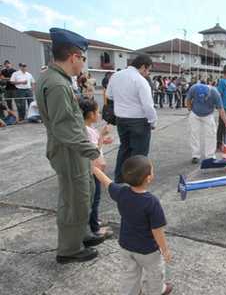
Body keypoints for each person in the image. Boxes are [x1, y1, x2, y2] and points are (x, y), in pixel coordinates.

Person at [35, 27, 106, 263]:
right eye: (83, 58)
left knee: (84, 193)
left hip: (72, 149)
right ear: (74, 56)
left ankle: (81, 235)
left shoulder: (56, 78)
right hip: (69, 150)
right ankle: (69, 249)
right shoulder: (57, 84)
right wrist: (93, 152)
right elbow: (65, 126)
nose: (83, 64)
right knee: (74, 200)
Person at [92, 155, 173, 295]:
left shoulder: (121, 192)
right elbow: (157, 231)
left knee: (129, 274)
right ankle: (155, 291)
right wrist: (165, 249)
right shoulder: (152, 202)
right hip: (148, 250)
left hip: (126, 245)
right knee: (155, 272)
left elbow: (106, 181)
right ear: (148, 178)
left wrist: (94, 168)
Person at [106, 54, 157, 183]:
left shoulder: (116, 76)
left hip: (121, 119)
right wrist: (153, 121)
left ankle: (119, 178)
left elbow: (109, 95)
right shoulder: (140, 80)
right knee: (139, 154)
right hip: (139, 120)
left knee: (124, 149)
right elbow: (148, 105)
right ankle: (136, 182)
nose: (148, 73)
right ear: (143, 67)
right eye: (148, 69)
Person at [79, 98, 114, 240]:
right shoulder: (89, 131)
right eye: (97, 112)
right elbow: (94, 152)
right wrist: (102, 136)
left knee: (93, 198)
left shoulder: (84, 128)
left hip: (90, 169)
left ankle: (94, 221)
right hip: (94, 170)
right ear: (91, 114)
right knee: (95, 198)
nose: (99, 114)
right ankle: (95, 229)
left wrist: (102, 139)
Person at [185, 82, 226, 164]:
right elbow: (188, 99)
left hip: (208, 115)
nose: (202, 100)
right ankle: (195, 155)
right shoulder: (194, 88)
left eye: (204, 98)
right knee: (194, 134)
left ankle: (210, 156)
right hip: (195, 114)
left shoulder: (215, 93)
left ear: (208, 94)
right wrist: (190, 109)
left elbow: (221, 110)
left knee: (211, 134)